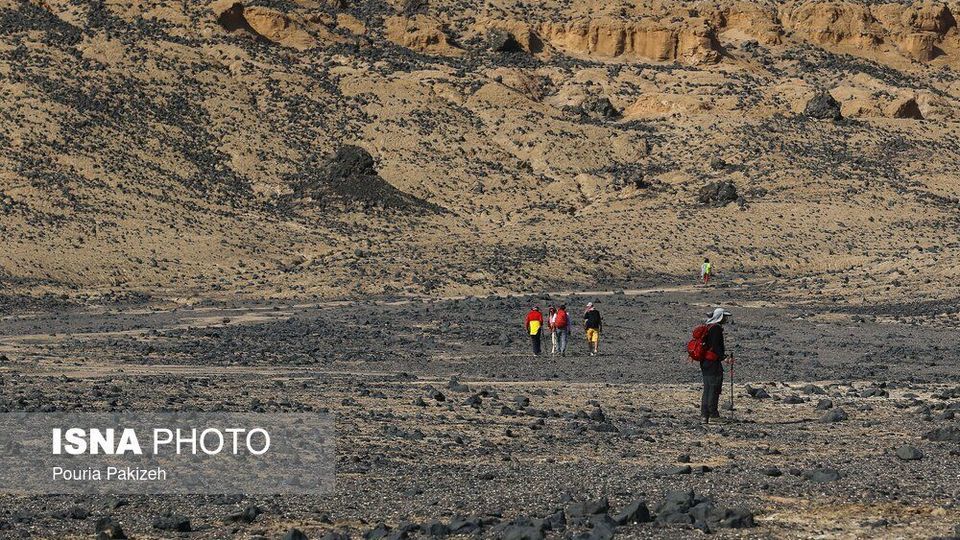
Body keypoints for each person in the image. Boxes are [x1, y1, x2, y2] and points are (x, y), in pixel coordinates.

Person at [700, 307, 731, 424]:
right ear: (720, 317)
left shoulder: (708, 327)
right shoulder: (716, 328)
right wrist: (724, 357)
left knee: (708, 388)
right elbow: (716, 346)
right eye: (725, 317)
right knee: (714, 387)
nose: (726, 319)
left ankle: (704, 415)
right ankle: (713, 415)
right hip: (712, 362)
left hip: (705, 362)